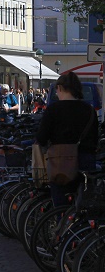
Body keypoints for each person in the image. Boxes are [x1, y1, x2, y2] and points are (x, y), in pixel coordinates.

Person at [36, 71, 99, 207]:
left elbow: (41, 137)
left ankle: (63, 224)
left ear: (59, 88)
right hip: (86, 160)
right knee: (85, 203)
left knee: (61, 203)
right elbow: (95, 138)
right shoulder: (89, 110)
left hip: (60, 161)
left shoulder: (53, 110)